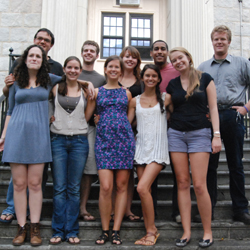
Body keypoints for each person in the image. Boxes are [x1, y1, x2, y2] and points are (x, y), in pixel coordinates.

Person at [0, 28, 64, 224]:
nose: (42, 43)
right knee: (19, 181)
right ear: (27, 57)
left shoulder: (53, 74)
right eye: (38, 40)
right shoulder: (18, 76)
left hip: (39, 132)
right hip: (17, 131)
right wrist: (3, 136)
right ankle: (15, 213)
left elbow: (70, 82)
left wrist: (87, 85)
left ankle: (33, 220)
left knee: (36, 181)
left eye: (46, 41)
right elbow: (9, 105)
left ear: (50, 47)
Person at [166, 47, 221, 248]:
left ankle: (207, 231)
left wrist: (216, 135)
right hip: (176, 134)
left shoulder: (205, 78)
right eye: (174, 60)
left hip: (200, 133)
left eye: (180, 58)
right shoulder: (172, 84)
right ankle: (187, 232)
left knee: (199, 184)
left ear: (188, 58)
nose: (178, 62)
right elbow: (168, 108)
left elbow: (213, 108)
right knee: (182, 182)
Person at [196, 25, 250, 225]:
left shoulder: (242, 63)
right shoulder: (203, 67)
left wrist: (245, 108)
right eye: (216, 39)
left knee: (236, 164)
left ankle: (240, 209)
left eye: (223, 39)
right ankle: (207, 207)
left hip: (233, 115)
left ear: (229, 41)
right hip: (209, 118)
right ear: (212, 41)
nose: (219, 42)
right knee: (209, 166)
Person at [85, 55, 135, 245]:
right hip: (104, 142)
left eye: (117, 67)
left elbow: (130, 119)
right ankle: (104, 229)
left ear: (121, 71)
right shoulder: (96, 92)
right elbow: (87, 116)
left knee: (122, 186)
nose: (114, 69)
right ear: (105, 69)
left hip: (124, 141)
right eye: (110, 66)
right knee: (106, 187)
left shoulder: (127, 93)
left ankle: (116, 230)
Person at [128, 64, 169, 246]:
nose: (150, 78)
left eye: (154, 76)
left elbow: (179, 115)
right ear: (142, 78)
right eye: (147, 76)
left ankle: (152, 231)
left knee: (142, 188)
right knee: (147, 191)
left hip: (158, 149)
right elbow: (127, 124)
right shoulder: (134, 101)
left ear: (159, 79)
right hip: (141, 148)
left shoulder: (166, 99)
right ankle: (148, 231)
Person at [49, 57, 89, 245]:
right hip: (58, 140)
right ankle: (58, 230)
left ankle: (72, 230)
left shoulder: (85, 90)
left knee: (73, 188)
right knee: (59, 188)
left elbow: (87, 115)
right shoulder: (56, 88)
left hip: (80, 141)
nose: (73, 70)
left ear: (80, 70)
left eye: (76, 68)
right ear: (64, 69)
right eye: (69, 67)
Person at [150, 40, 180, 222]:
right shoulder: (147, 72)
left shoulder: (176, 70)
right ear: (152, 53)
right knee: (151, 168)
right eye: (156, 49)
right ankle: (150, 210)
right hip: (152, 126)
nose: (159, 51)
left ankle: (177, 211)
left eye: (163, 49)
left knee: (179, 170)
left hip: (175, 123)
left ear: (167, 52)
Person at [78, 40, 106, 222]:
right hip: (67, 128)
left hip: (90, 129)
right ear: (82, 53)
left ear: (97, 56)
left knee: (88, 170)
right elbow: (62, 81)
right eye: (86, 50)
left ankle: (82, 207)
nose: (88, 53)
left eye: (92, 51)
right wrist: (84, 82)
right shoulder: (72, 71)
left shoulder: (101, 79)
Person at [118, 46, 142, 222]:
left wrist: (131, 124)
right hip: (112, 133)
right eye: (127, 56)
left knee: (129, 171)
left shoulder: (141, 82)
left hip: (134, 131)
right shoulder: (113, 77)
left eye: (133, 57)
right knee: (114, 171)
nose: (130, 60)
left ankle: (127, 209)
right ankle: (113, 208)